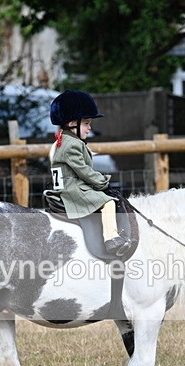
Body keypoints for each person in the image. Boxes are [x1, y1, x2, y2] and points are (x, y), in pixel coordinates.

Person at [49, 90, 130, 256]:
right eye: (86, 123)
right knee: (108, 202)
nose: (90, 128)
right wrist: (102, 181)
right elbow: (84, 171)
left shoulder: (64, 140)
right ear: (72, 123)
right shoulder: (71, 144)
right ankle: (111, 239)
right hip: (73, 190)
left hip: (73, 186)